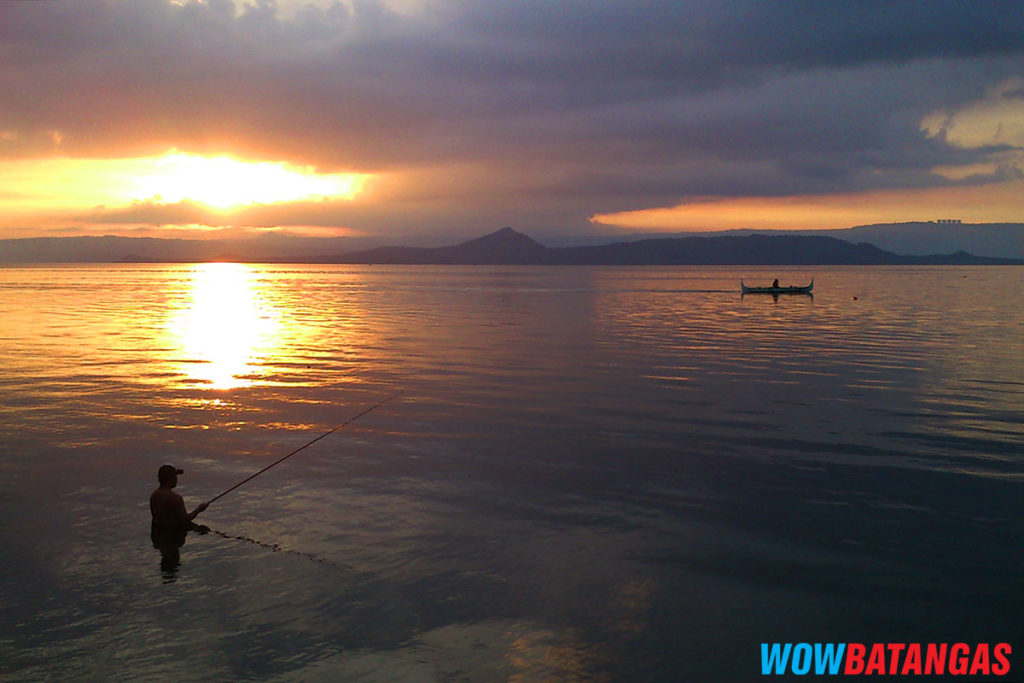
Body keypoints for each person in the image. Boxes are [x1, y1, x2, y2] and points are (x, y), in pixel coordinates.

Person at [150, 464, 209, 575]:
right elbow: (184, 520)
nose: (177, 479)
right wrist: (199, 509)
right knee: (205, 531)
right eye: (175, 477)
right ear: (171, 479)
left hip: (159, 534)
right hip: (174, 534)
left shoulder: (154, 495)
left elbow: (155, 518)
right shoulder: (175, 498)